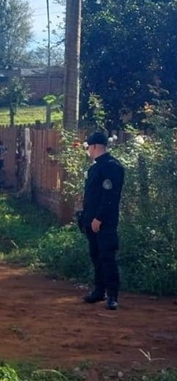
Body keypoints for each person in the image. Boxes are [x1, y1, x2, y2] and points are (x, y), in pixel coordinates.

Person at [80, 131, 125, 310]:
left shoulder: (111, 167)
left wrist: (99, 217)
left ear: (95, 146)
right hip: (92, 221)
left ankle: (112, 295)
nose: (88, 151)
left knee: (107, 257)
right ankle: (99, 291)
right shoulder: (95, 167)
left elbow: (110, 196)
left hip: (104, 222)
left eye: (89, 147)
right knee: (96, 257)